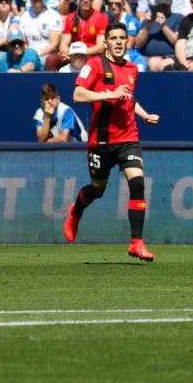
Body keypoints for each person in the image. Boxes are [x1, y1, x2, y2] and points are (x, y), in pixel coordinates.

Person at [65, 22, 159, 262]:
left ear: (127, 42)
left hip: (128, 137)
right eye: (114, 38)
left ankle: (136, 242)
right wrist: (107, 95)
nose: (118, 42)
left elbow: (128, 99)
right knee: (97, 189)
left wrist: (144, 114)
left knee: (137, 183)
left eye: (122, 38)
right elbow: (78, 94)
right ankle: (76, 210)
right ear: (105, 42)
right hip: (102, 141)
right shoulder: (94, 64)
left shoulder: (132, 68)